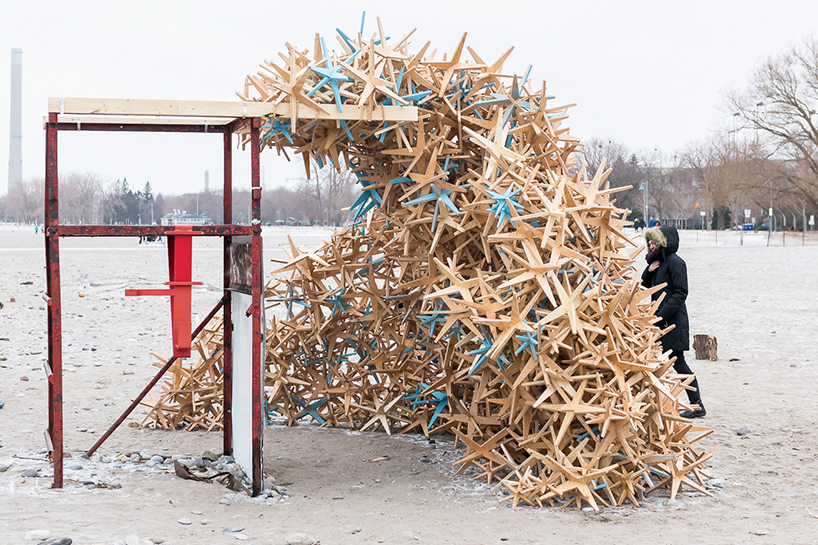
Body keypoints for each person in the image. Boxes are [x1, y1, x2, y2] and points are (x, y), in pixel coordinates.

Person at [641, 225, 705, 418]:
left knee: (678, 362)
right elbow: (645, 286)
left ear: (663, 242)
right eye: (649, 242)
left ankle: (697, 405)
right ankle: (663, 404)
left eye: (654, 242)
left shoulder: (676, 263)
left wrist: (661, 316)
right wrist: (649, 269)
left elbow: (680, 292)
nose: (651, 246)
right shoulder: (658, 263)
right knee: (664, 363)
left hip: (672, 322)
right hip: (659, 321)